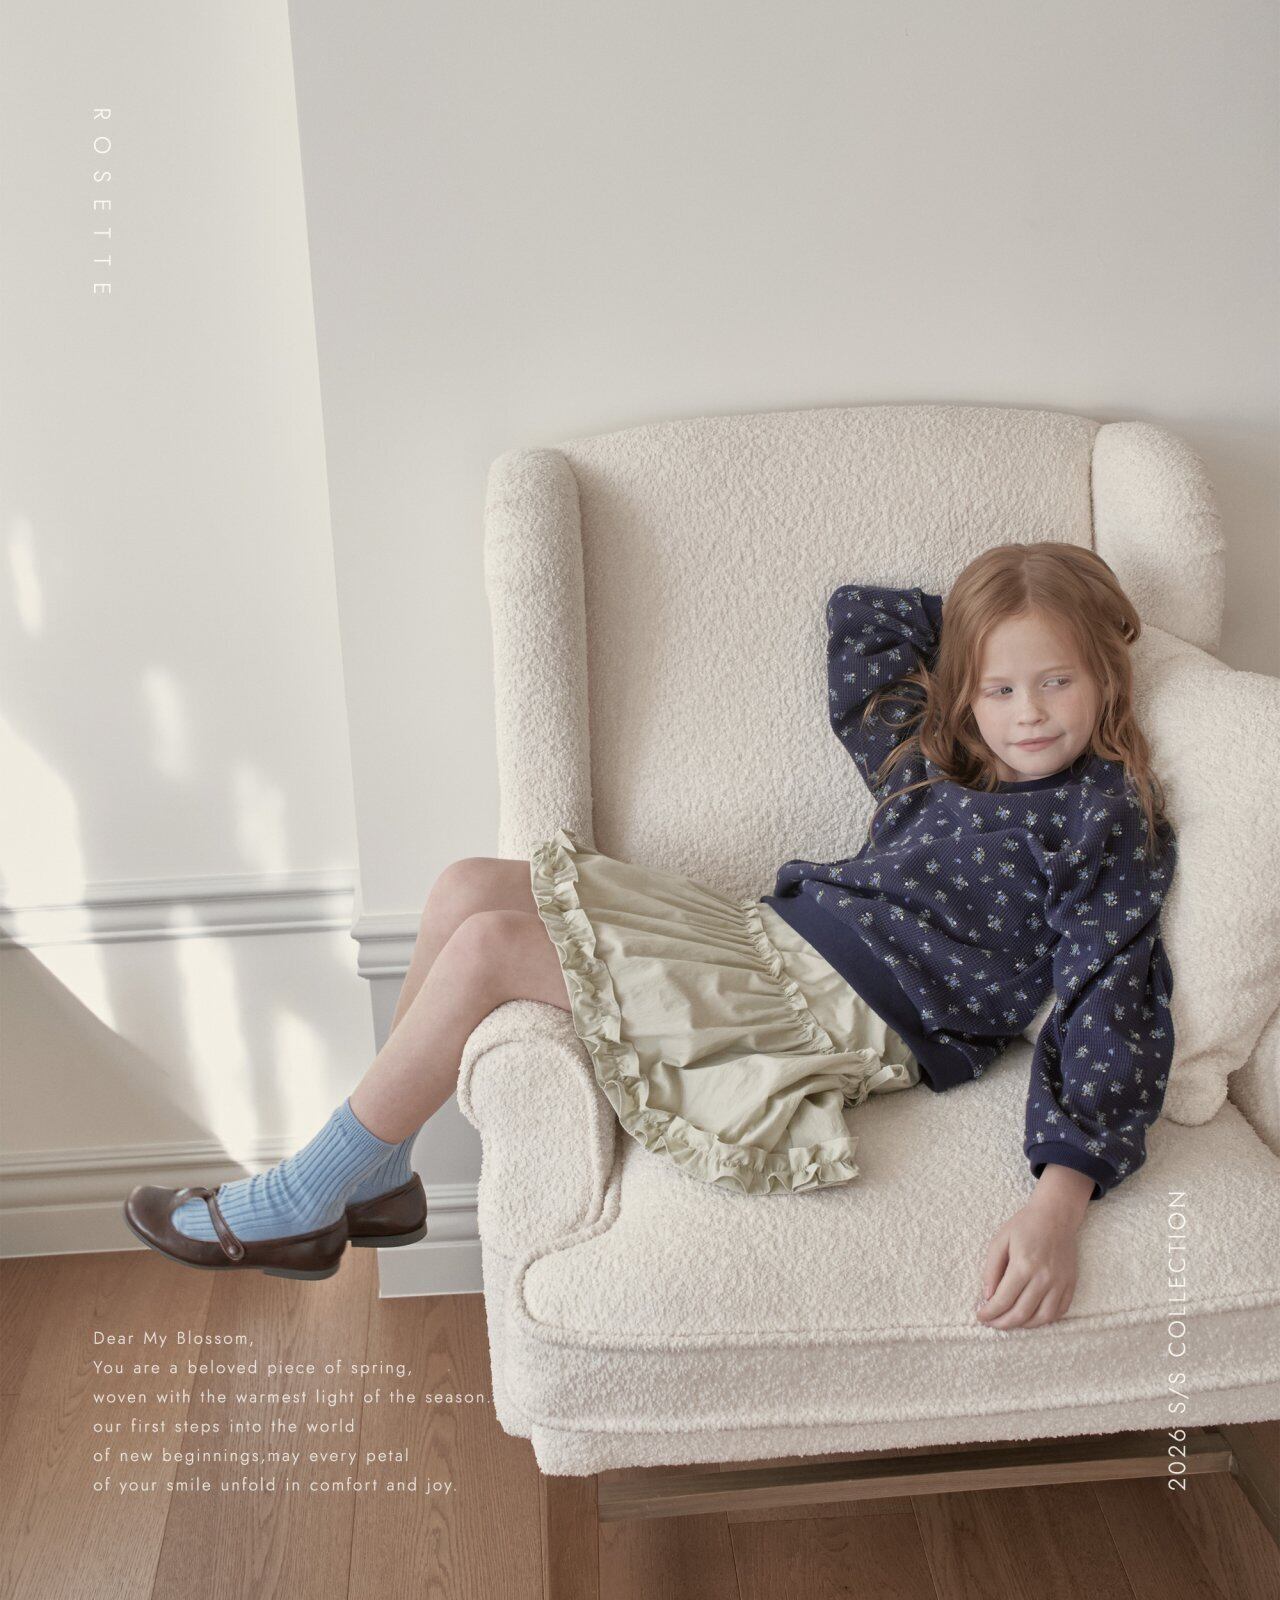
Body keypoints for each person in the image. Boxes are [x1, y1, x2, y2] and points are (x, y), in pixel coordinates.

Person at [124, 540, 1177, 1334]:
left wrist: (1059, 1198)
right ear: (962, 692)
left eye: (1058, 680)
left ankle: (305, 1201)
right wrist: (1005, 608)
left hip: (835, 1017)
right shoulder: (934, 762)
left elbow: (1109, 999)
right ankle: (383, 1176)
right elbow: (861, 625)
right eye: (999, 686)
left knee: (488, 948)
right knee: (463, 888)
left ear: (1105, 679)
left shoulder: (1103, 818)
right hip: (764, 938)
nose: (1028, 712)